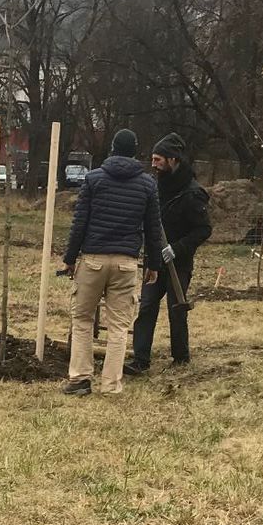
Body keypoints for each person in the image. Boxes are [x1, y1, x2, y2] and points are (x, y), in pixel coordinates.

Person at [61, 129, 162, 397]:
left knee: (82, 319)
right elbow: (154, 228)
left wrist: (70, 258)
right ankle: (111, 385)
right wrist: (153, 264)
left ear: (113, 150)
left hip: (93, 259)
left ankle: (81, 379)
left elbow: (79, 222)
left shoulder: (94, 180)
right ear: (135, 152)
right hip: (127, 263)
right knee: (118, 325)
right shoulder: (148, 185)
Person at [128, 134, 212, 373]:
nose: (153, 164)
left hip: (179, 263)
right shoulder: (155, 187)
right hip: (155, 261)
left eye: (158, 159)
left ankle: (181, 358)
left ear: (173, 160)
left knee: (177, 309)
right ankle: (140, 360)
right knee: (146, 308)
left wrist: (177, 248)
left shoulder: (192, 193)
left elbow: (204, 229)